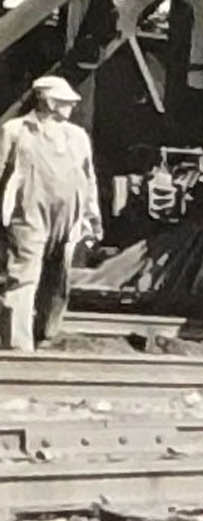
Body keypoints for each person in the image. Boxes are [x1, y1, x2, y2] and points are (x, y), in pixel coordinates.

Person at [0, 76, 101, 350]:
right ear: (48, 100)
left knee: (58, 279)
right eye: (65, 101)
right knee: (23, 276)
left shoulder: (77, 136)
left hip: (68, 218)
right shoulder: (15, 130)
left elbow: (87, 176)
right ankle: (17, 345)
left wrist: (93, 216)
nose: (71, 105)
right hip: (28, 212)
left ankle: (46, 333)